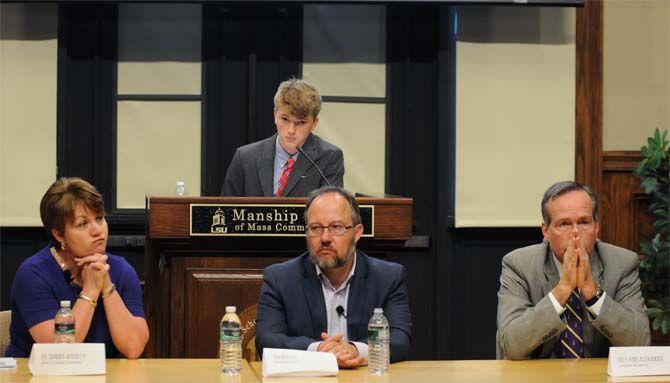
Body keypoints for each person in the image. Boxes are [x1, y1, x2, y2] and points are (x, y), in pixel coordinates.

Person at [255, 186, 412, 367]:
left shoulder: (387, 278)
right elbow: (267, 340)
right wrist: (319, 350)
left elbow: (400, 339)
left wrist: (354, 349)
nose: (325, 238)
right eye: (316, 228)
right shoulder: (280, 278)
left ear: (357, 232)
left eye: (336, 227)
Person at [497, 181, 650, 360]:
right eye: (564, 224)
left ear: (596, 227)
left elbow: (640, 341)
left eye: (584, 222)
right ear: (546, 231)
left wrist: (592, 292)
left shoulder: (622, 263)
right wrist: (562, 289)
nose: (576, 233)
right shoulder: (519, 265)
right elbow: (511, 346)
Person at [5, 177, 149, 358]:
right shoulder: (33, 274)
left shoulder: (121, 270)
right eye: (83, 224)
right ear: (59, 234)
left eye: (99, 218)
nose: (97, 230)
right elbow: (59, 352)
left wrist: (106, 286)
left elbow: (133, 348)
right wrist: (90, 290)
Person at [221, 78, 344, 197]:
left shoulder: (329, 157)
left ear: (314, 123)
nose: (291, 130)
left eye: (300, 122)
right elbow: (225, 211)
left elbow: (331, 211)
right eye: (284, 119)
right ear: (275, 114)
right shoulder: (245, 157)